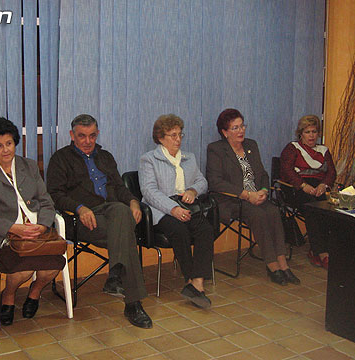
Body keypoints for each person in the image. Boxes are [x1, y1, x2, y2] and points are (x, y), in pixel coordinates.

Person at [46, 114, 152, 328]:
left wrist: (133, 200)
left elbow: (120, 188)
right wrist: (79, 208)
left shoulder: (105, 157)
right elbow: (54, 194)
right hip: (83, 221)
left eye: (92, 136)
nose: (87, 141)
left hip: (112, 213)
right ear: (72, 135)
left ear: (97, 134)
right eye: (82, 136)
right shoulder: (60, 159)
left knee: (123, 212)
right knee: (126, 231)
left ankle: (119, 279)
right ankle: (128, 296)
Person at [0, 117, 65, 327]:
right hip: (5, 235)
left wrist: (42, 225)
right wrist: (12, 228)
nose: (5, 150)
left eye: (9, 143)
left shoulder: (29, 166)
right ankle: (9, 295)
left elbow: (46, 202)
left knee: (53, 266)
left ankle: (35, 291)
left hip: (37, 233)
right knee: (23, 270)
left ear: (15, 143)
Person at [206, 108, 300, 286]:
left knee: (273, 212)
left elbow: (263, 174)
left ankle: (283, 264)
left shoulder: (251, 145)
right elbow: (215, 182)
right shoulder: (216, 149)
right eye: (235, 128)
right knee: (259, 215)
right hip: (232, 199)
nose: (240, 131)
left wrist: (264, 190)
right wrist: (246, 195)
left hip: (257, 196)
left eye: (242, 126)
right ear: (224, 132)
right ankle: (272, 265)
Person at [139, 114, 214, 308]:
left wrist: (192, 190)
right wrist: (172, 208)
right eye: (172, 135)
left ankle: (195, 283)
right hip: (162, 209)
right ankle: (191, 280)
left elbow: (202, 181)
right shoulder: (149, 159)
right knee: (179, 230)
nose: (178, 139)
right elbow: (149, 191)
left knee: (205, 229)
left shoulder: (189, 158)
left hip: (188, 206)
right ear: (160, 138)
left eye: (180, 134)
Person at [280, 115, 336, 269]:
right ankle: (321, 252)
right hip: (296, 188)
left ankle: (319, 250)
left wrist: (323, 185)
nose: (311, 135)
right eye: (307, 132)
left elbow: (331, 173)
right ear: (301, 134)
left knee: (327, 208)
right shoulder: (292, 148)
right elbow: (287, 170)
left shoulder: (323, 150)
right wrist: (303, 185)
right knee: (313, 208)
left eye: (314, 131)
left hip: (318, 187)